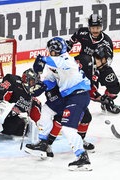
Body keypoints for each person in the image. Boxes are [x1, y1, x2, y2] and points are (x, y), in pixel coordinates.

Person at [25, 37, 92, 171]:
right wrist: (41, 86)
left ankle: (82, 157)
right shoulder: (53, 62)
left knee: (67, 128)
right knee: (46, 110)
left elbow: (56, 62)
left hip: (78, 96)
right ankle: (43, 144)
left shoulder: (67, 60)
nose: (51, 53)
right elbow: (51, 79)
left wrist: (41, 59)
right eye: (50, 51)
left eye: (52, 51)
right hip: (66, 96)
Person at [66, 13, 120, 114]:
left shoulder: (106, 41)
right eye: (93, 28)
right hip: (83, 64)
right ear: (89, 27)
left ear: (101, 27)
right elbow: (70, 44)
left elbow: (108, 59)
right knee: (91, 88)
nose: (95, 30)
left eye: (98, 27)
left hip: (99, 66)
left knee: (115, 87)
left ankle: (106, 102)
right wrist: (63, 57)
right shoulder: (82, 33)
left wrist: (100, 63)